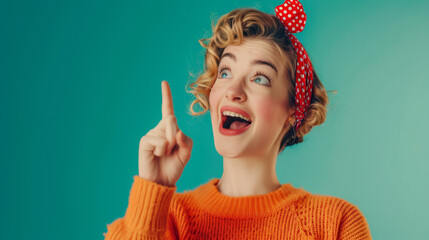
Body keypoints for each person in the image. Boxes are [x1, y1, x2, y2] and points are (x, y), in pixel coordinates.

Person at [104, 1, 372, 239]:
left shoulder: (335, 224)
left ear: (293, 110)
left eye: (259, 78)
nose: (233, 91)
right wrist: (153, 190)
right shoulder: (170, 221)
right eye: (225, 73)